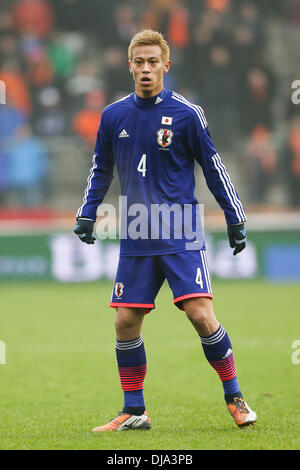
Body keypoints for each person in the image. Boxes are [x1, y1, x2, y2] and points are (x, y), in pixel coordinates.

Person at [74, 29, 257, 432]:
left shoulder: (187, 114)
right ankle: (134, 411)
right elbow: (101, 168)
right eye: (138, 62)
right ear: (129, 66)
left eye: (152, 62)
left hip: (178, 228)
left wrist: (235, 216)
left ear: (165, 66)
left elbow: (213, 167)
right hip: (137, 229)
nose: (145, 69)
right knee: (125, 322)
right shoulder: (113, 115)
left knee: (201, 315)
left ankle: (235, 397)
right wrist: (88, 211)